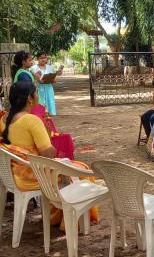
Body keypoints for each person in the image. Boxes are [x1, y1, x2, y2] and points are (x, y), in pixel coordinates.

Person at [0, 82, 99, 228]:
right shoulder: (31, 120)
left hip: (18, 172)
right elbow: (48, 154)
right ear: (30, 98)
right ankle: (71, 221)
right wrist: (46, 133)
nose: (38, 96)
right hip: (34, 174)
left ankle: (57, 217)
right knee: (82, 169)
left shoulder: (4, 120)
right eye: (37, 93)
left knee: (74, 166)